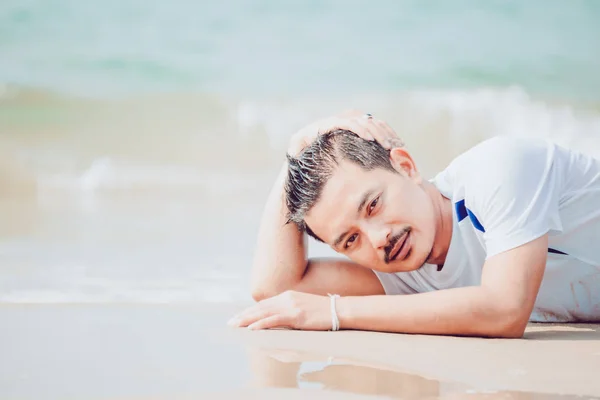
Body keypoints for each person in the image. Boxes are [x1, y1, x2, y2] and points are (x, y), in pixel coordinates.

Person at [228, 110, 600, 338]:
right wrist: (294, 152)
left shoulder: (499, 168)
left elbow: (505, 309)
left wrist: (335, 313)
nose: (379, 239)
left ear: (406, 167)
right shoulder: (405, 275)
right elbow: (276, 287)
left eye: (373, 205)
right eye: (350, 240)